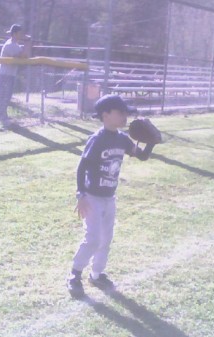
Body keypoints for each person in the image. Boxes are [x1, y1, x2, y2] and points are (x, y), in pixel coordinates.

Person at [66, 95, 156, 298]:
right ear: (105, 115)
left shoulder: (122, 139)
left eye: (126, 113)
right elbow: (82, 167)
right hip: (93, 198)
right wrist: (80, 194)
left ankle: (97, 274)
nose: (125, 116)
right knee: (93, 238)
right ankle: (75, 274)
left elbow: (142, 156)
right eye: (120, 112)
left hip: (109, 198)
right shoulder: (97, 139)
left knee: (106, 239)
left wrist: (151, 143)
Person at [0, 24, 32, 125]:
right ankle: (1, 119)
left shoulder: (16, 45)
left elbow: (25, 56)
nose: (22, 35)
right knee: (3, 97)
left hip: (10, 75)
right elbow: (23, 55)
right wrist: (27, 42)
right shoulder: (10, 45)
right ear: (14, 34)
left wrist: (26, 44)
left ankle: (3, 118)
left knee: (7, 97)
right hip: (4, 75)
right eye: (20, 33)